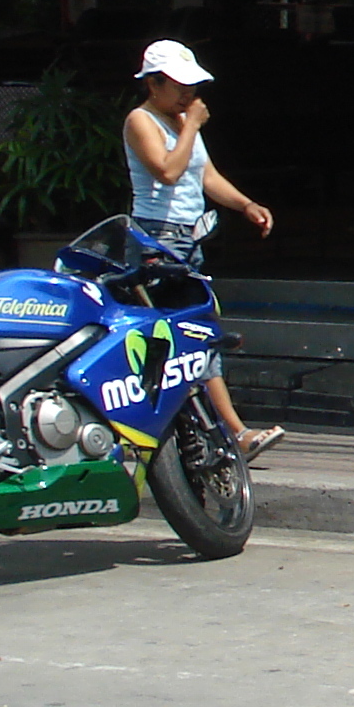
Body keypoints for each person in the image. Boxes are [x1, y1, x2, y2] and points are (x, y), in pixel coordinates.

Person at [125, 38, 284, 457]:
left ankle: (213, 430)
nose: (188, 95)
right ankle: (232, 431)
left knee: (192, 334)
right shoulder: (142, 121)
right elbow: (168, 171)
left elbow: (205, 176)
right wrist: (191, 124)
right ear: (153, 85)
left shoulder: (181, 123)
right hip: (158, 239)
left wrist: (246, 204)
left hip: (190, 239)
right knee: (188, 335)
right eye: (178, 86)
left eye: (191, 86)